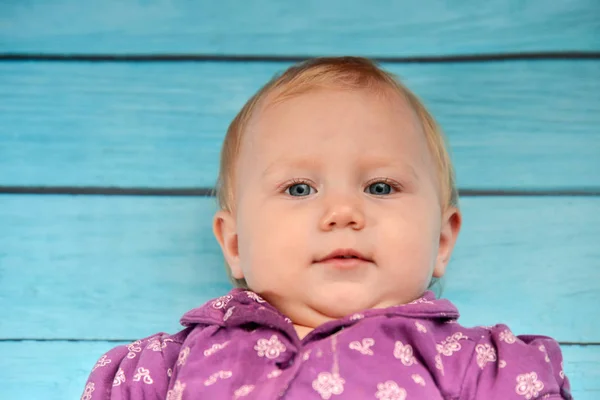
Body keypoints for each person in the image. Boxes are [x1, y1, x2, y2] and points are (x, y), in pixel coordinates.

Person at [81, 57, 572, 399]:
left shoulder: (482, 369)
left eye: (380, 187)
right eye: (299, 189)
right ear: (234, 243)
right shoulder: (159, 371)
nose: (343, 212)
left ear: (442, 241)